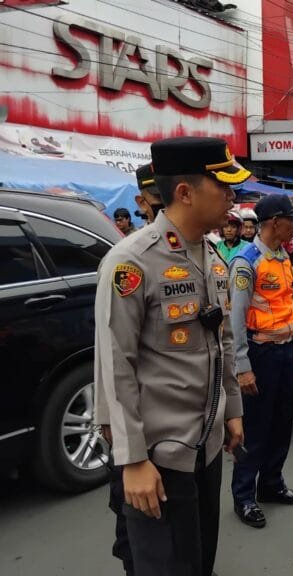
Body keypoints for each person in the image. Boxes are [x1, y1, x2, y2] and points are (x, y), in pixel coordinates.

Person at [94, 136, 248, 576]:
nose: (232, 199)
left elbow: (223, 340)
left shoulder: (212, 255)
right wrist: (133, 459)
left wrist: (232, 410)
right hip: (159, 459)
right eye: (223, 187)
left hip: (208, 447)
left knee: (200, 560)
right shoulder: (131, 262)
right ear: (185, 192)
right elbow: (114, 365)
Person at [98, 163, 165, 576]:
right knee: (133, 520)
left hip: (173, 421)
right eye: (156, 198)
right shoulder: (128, 256)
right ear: (141, 201)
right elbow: (114, 352)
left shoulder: (195, 250)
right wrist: (113, 424)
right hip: (135, 412)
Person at [229, 194, 293, 529]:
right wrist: (243, 367)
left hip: (286, 350)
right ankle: (244, 496)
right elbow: (235, 319)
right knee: (256, 429)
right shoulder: (247, 261)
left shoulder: (282, 257)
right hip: (259, 354)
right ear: (275, 222)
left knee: (281, 423)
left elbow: (290, 303)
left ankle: (272, 484)